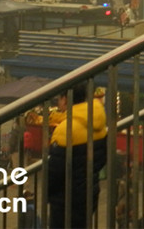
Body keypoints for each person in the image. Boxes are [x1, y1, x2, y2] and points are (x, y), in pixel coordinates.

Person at [46, 84, 107, 229]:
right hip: (89, 192)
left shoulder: (65, 129)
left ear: (65, 99)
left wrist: (49, 194)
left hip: (66, 198)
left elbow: (55, 171)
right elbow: (103, 157)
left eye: (59, 99)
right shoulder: (97, 121)